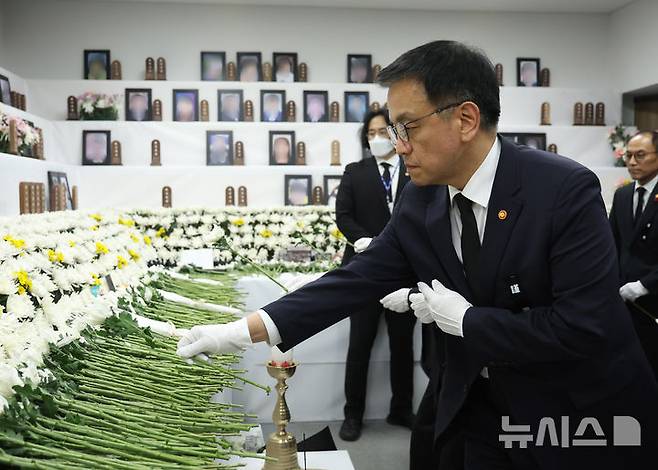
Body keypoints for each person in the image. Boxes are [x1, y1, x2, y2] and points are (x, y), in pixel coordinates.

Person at [177, 41, 658, 469]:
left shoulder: (561, 190)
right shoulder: (421, 198)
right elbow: (356, 280)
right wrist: (239, 332)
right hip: (479, 403)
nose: (397, 146)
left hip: (576, 412)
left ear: (465, 119)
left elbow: (584, 324)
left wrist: (469, 322)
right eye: (391, 132)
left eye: (406, 128)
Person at [332, 108, 413, 441]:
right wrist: (364, 240)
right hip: (363, 269)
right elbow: (343, 215)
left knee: (403, 345)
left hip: (404, 270)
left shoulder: (415, 168)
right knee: (360, 345)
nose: (377, 139)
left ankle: (402, 409)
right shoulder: (355, 172)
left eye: (383, 132)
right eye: (371, 134)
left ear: (397, 133)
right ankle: (353, 415)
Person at [609, 130, 658, 379]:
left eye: (640, 155)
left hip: (653, 301)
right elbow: (612, 243)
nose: (632, 162)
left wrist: (644, 285)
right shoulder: (623, 194)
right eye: (628, 155)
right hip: (622, 300)